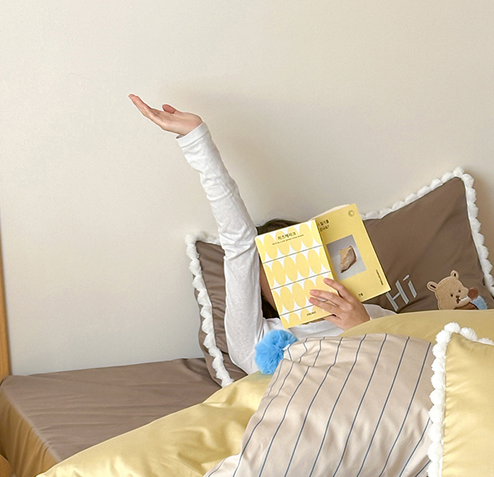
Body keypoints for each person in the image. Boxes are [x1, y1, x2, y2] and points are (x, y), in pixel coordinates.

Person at [129, 96, 392, 373]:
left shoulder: (373, 316)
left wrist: (364, 327)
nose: (293, 271)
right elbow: (239, 243)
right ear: (260, 290)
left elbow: (407, 363)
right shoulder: (259, 340)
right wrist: (196, 139)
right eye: (275, 266)